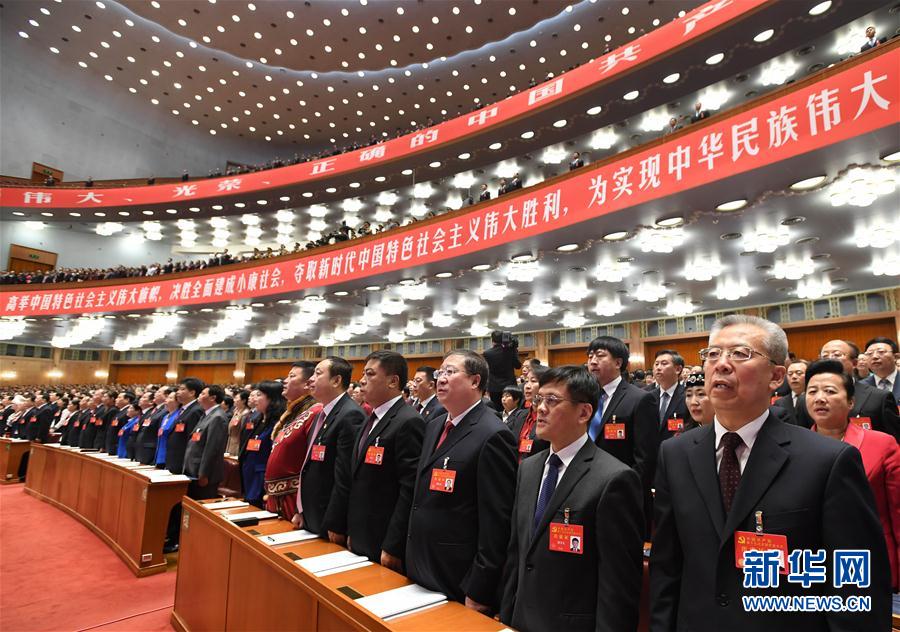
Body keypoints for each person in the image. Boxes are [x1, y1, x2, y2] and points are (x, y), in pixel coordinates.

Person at [650, 315, 891, 631]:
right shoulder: (675, 454)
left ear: (776, 376)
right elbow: (667, 566)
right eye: (713, 354)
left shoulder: (827, 461)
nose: (721, 364)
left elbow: (856, 582)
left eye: (740, 354)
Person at [500, 365, 643, 631]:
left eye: (552, 400)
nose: (540, 409)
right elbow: (517, 553)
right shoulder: (528, 469)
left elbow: (618, 584)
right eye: (539, 399)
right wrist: (507, 616)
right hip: (521, 618)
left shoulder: (614, 478)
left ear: (584, 412)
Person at [406, 350, 517, 613]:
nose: (441, 378)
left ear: (475, 381)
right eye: (439, 372)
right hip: (420, 563)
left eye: (450, 372)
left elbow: (497, 522)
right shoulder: (434, 425)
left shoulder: (493, 434)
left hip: (458, 574)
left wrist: (480, 586)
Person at [806, 359, 900, 591]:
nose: (820, 398)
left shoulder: (882, 444)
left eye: (830, 391)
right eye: (812, 391)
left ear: (851, 402)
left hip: (869, 561)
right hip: (813, 567)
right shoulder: (793, 447)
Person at [327, 350, 424, 569]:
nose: (362, 380)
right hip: (360, 533)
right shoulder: (370, 419)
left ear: (393, 381)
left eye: (370, 374)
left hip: (383, 540)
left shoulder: (408, 421)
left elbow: (409, 490)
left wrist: (393, 546)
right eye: (363, 374)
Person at [586, 335, 658, 536]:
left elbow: (645, 459)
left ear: (618, 363)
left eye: (600, 356)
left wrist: (625, 490)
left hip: (623, 495)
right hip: (587, 492)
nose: (592, 361)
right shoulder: (586, 399)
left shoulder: (640, 399)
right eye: (590, 356)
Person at [300, 357, 366, 535]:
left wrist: (335, 523)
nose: (311, 379)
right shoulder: (323, 412)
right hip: (311, 513)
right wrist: (302, 510)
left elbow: (344, 476)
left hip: (327, 518)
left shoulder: (351, 414)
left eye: (318, 374)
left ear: (336, 380)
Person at [799, 340, 900, 440]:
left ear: (854, 363)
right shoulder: (804, 400)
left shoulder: (879, 397)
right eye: (825, 356)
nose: (829, 359)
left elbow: (895, 439)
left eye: (837, 355)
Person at [263, 362, 319, 521]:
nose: (285, 381)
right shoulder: (292, 411)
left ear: (308, 384)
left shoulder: (315, 411)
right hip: (278, 494)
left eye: (292, 376)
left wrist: (301, 507)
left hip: (294, 497)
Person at [240, 381, 285, 507]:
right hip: (249, 474)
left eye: (259, 395)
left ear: (272, 399)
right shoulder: (257, 419)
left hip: (262, 479)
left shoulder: (278, 423)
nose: (255, 399)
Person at [183, 385, 229, 500]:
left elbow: (212, 449)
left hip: (204, 474)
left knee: (200, 504)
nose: (199, 396)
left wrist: (204, 474)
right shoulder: (206, 414)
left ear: (213, 398)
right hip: (193, 469)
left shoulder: (217, 417)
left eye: (203, 394)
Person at [509, 364, 549, 461]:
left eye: (533, 381)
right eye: (526, 381)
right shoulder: (520, 415)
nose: (527, 386)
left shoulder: (549, 417)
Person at [166, 378, 206, 474]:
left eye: (182, 389)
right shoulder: (183, 409)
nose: (177, 392)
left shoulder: (196, 410)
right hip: (174, 458)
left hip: (182, 459)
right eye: (178, 389)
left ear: (192, 393)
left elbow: (192, 439)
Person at [652, 350, 689, 443]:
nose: (658, 368)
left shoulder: (687, 396)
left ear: (678, 369)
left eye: (664, 364)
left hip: (678, 447)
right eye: (656, 364)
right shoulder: (647, 396)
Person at [483, 330, 522, 410]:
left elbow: (486, 369)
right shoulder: (510, 350)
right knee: (512, 409)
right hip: (510, 385)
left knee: (497, 409)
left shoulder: (487, 353)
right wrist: (514, 349)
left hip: (494, 387)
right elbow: (518, 366)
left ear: (492, 340)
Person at [136, 388, 170, 464]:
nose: (155, 393)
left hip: (151, 450)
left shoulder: (165, 410)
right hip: (143, 448)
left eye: (159, 392)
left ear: (166, 396)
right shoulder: (154, 410)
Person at [862, 336, 899, 400]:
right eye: (869, 353)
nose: (874, 356)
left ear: (895, 357)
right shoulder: (860, 386)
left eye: (881, 352)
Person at [773, 359, 808, 425]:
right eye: (790, 374)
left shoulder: (815, 399)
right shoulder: (780, 403)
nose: (794, 377)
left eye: (799, 373)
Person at [154, 391, 181, 468]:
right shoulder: (165, 417)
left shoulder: (179, 415)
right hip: (159, 453)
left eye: (170, 398)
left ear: (177, 402)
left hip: (170, 455)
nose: (166, 399)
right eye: (167, 397)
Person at [226, 390, 250, 456]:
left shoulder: (246, 414)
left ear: (243, 400)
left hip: (237, 445)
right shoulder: (236, 411)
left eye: (236, 398)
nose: (234, 400)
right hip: (229, 442)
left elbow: (243, 433)